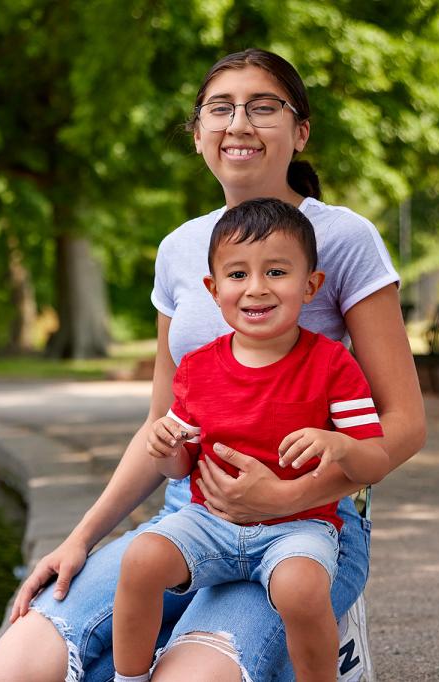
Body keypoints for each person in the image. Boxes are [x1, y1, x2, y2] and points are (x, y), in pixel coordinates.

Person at [0, 48, 426, 682]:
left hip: (304, 527)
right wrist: (80, 537)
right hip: (187, 523)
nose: (239, 123)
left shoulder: (344, 238)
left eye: (263, 107)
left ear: (300, 132)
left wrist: (284, 496)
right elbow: (162, 422)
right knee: (16, 667)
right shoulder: (180, 248)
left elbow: (404, 424)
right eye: (220, 108)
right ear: (197, 135)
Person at [111, 198, 391, 682]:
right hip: (208, 522)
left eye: (276, 272)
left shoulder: (330, 364)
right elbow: (179, 466)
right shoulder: (198, 368)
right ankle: (130, 678)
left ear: (311, 286)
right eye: (237, 275)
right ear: (213, 289)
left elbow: (375, 461)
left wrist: (340, 444)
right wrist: (167, 448)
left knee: (301, 589)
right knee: (140, 558)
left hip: (298, 527)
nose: (256, 288)